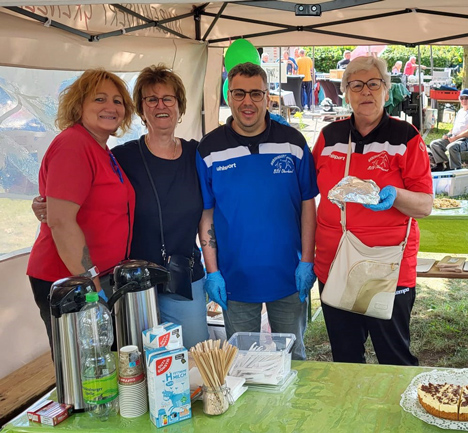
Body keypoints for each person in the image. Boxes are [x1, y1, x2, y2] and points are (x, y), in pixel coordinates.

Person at [35, 65, 211, 348]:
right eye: (151, 99)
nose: (161, 105)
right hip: (127, 282)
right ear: (141, 109)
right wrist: (46, 208)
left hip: (181, 277)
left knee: (193, 355)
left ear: (180, 106)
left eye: (168, 98)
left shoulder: (196, 154)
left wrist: (214, 271)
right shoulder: (118, 156)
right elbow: (65, 209)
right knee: (127, 360)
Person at [311, 55, 433, 365]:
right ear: (345, 92)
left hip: (386, 266)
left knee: (394, 359)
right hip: (335, 264)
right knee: (346, 358)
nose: (366, 91)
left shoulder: (406, 138)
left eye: (374, 84)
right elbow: (306, 193)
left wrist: (396, 195)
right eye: (356, 85)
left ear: (386, 90)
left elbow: (425, 205)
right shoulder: (329, 137)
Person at [196, 62, 318, 360]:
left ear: (267, 97)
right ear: (228, 96)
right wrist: (213, 272)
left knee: (294, 359)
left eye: (256, 94)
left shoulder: (293, 142)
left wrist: (307, 260)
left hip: (288, 276)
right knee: (243, 364)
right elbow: (206, 213)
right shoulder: (209, 149)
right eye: (239, 93)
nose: (247, 102)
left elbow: (308, 204)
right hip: (235, 279)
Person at [27, 69, 136, 350]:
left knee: (105, 363)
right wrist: (92, 285)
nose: (111, 107)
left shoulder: (100, 148)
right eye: (99, 99)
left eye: (117, 101)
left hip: (96, 278)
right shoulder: (73, 145)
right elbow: (62, 222)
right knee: (87, 367)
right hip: (72, 281)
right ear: (79, 105)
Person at [429, 89, 468, 171]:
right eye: (462, 98)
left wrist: (456, 138)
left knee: (452, 147)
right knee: (434, 144)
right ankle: (443, 165)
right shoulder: (460, 112)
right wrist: (448, 135)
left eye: (466, 98)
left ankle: (457, 169)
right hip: (456, 137)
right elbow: (455, 128)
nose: (464, 100)